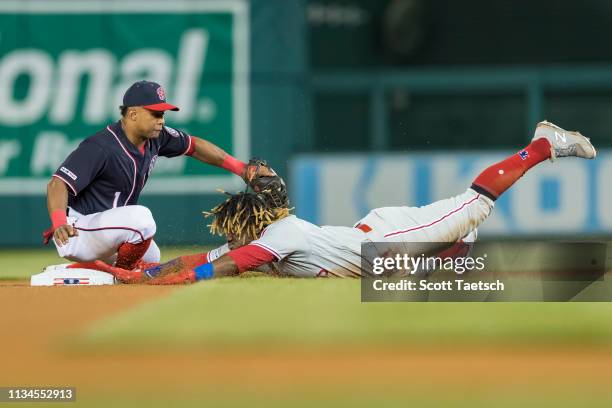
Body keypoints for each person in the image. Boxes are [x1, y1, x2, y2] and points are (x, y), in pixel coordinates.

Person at [93, 121, 597, 283]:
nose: (228, 238)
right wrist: (147, 275)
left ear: (249, 226)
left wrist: (178, 277)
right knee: (449, 269)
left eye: (233, 229)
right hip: (371, 243)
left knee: (474, 206)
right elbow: (204, 258)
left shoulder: (278, 237)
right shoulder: (272, 235)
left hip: (382, 240)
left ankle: (543, 144)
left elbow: (221, 266)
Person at [45, 80, 282, 270]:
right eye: (155, 114)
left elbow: (194, 145)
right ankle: (124, 275)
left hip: (108, 231)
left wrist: (240, 168)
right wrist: (59, 223)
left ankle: (83, 270)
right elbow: (58, 183)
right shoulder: (101, 146)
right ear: (133, 114)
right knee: (142, 220)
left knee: (152, 255)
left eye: (163, 114)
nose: (161, 120)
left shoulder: (156, 138)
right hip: (76, 231)